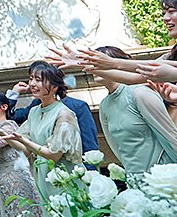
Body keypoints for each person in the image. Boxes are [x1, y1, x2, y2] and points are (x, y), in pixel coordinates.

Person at [51, 44, 177, 174]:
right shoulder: (105, 105)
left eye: (98, 63)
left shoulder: (139, 93)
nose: (94, 68)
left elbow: (169, 136)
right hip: (135, 178)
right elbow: (116, 148)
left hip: (163, 175)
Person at [0, 62, 82, 203]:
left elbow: (54, 155)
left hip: (64, 180)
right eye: (31, 78)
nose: (32, 83)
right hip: (43, 180)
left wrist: (23, 140)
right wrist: (3, 135)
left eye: (38, 80)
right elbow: (26, 151)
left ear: (54, 86)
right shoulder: (34, 112)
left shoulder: (63, 114)